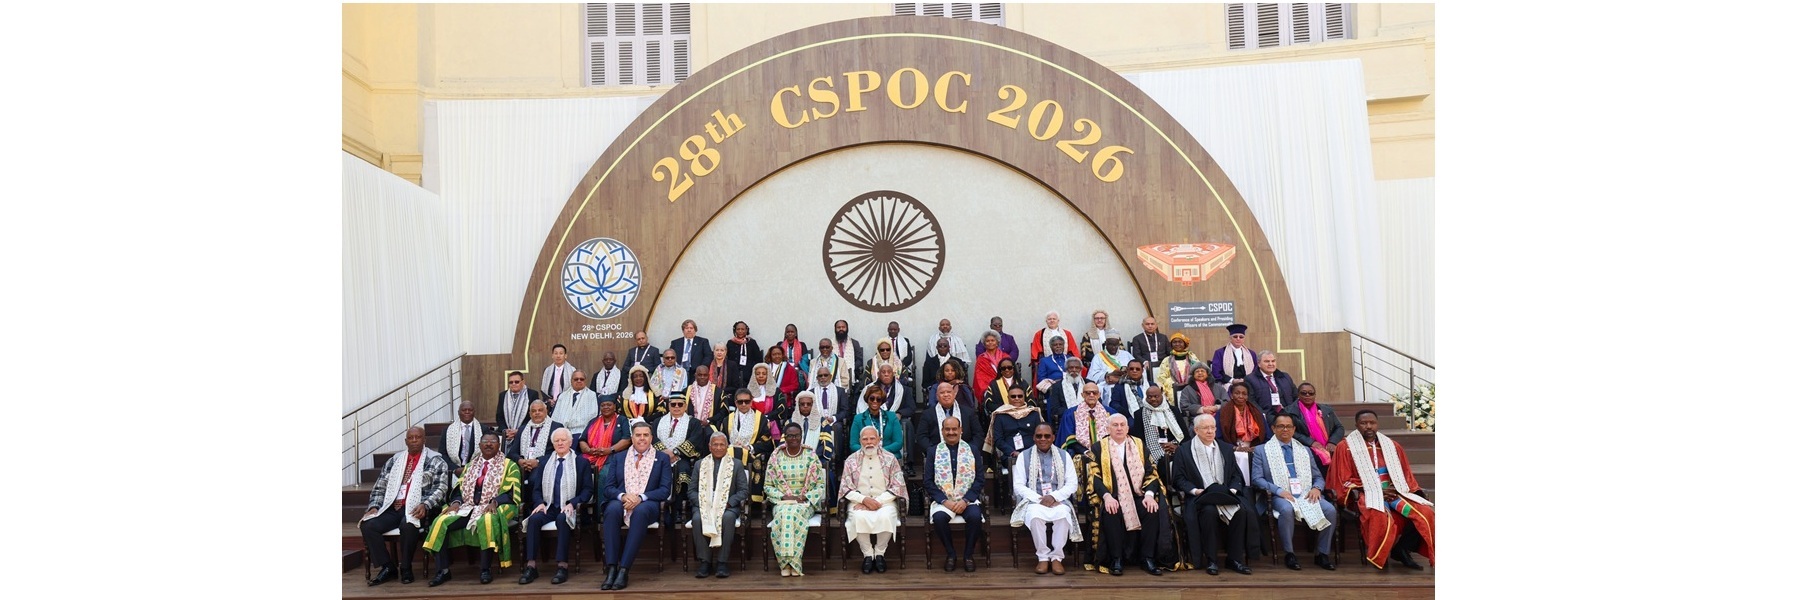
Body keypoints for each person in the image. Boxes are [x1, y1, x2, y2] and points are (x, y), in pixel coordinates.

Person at [1327, 410, 1435, 570]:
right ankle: (1380, 556)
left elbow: (1405, 474)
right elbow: (1342, 479)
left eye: (1372, 422)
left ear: (1377, 424)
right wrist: (1376, 491)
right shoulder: (1346, 447)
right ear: (1356, 425)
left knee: (1426, 513)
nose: (1368, 426)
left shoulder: (1391, 446)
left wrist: (1401, 489)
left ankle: (1402, 549)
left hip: (1394, 492)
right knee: (1379, 516)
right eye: (1364, 423)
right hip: (1365, 493)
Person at [1084, 414, 1179, 576]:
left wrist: (1149, 494)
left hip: (1138, 494)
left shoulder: (1139, 444)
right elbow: (1094, 477)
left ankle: (1147, 558)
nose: (1119, 428)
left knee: (1151, 509)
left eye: (1122, 425)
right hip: (1113, 496)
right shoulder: (1099, 447)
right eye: (1115, 425)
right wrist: (1107, 497)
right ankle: (1116, 559)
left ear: (1128, 428)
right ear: (1107, 429)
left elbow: (1151, 472)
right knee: (1111, 511)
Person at [423, 433, 523, 586]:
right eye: (485, 442)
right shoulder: (471, 465)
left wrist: (495, 502)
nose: (489, 444)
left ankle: (485, 569)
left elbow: (512, 491)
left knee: (487, 520)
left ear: (499, 445)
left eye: (493, 442)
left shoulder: (509, 465)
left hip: (495, 505)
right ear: (480, 445)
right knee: (440, 521)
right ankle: (442, 571)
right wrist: (456, 502)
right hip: (467, 506)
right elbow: (459, 488)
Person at [361, 426, 450, 586]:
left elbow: (441, 488)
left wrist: (425, 504)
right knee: (368, 525)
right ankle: (388, 567)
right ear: (406, 441)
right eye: (411, 438)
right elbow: (380, 486)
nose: (414, 440)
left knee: (408, 525)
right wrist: (374, 506)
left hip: (418, 509)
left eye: (418, 437)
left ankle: (406, 567)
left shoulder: (436, 460)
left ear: (424, 440)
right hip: (393, 507)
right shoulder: (394, 461)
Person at [1250, 414, 1337, 571]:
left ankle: (1322, 554)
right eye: (1281, 426)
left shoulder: (1304, 450)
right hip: (1278, 494)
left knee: (1330, 510)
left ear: (1294, 429)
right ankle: (1290, 554)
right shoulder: (1261, 450)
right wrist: (1278, 490)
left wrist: (1316, 488)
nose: (1285, 429)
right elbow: (1257, 479)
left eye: (1289, 426)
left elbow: (1318, 476)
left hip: (1305, 492)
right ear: (1273, 429)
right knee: (1286, 509)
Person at [1171, 415, 1254, 576]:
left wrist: (1233, 490)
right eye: (1205, 428)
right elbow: (1179, 479)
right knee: (1209, 511)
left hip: (1225, 494)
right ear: (1196, 430)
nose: (1210, 431)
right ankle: (1212, 560)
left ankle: (1234, 559)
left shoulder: (1225, 448)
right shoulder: (1184, 450)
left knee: (1241, 511)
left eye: (1213, 427)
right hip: (1200, 497)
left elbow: (1236, 475)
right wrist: (1195, 490)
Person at [600, 422, 674, 591]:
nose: (642, 438)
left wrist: (641, 497)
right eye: (638, 435)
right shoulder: (619, 458)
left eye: (645, 435)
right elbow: (609, 488)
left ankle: (624, 569)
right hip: (622, 501)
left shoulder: (662, 458)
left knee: (640, 512)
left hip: (648, 504)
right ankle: (612, 568)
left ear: (651, 438)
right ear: (632, 438)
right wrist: (623, 495)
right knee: (611, 509)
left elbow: (664, 490)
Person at [519, 428, 594, 585]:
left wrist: (573, 503)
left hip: (569, 507)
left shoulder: (581, 462)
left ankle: (562, 566)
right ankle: (531, 566)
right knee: (533, 519)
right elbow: (536, 488)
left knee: (562, 519)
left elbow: (588, 490)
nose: (560, 443)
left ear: (570, 442)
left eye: (563, 440)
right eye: (557, 441)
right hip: (549, 506)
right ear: (552, 444)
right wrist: (539, 502)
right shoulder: (545, 462)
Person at [1011, 423, 1078, 576]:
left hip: (1058, 500)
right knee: (1035, 517)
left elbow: (1072, 483)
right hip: (1034, 500)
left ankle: (1056, 557)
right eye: (1039, 436)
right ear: (1034, 438)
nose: (1043, 439)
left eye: (1047, 436)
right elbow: (1019, 486)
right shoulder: (1024, 456)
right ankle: (1042, 557)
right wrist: (1039, 498)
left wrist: (1054, 497)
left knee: (1063, 515)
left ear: (1053, 438)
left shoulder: (1064, 455)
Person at [841, 425, 908, 574]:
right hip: (859, 502)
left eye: (872, 438)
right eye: (865, 439)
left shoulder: (890, 458)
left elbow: (898, 485)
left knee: (886, 516)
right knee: (857, 517)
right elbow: (845, 487)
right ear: (860, 441)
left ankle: (879, 554)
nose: (869, 442)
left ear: (879, 439)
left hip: (885, 501)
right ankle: (867, 555)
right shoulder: (851, 460)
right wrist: (864, 500)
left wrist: (877, 502)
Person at [765, 423, 827, 577]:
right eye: (790, 436)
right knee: (785, 513)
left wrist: (804, 496)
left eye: (797, 435)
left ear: (801, 436)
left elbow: (820, 484)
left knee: (791, 514)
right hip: (782, 501)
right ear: (784, 437)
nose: (793, 438)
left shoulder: (811, 456)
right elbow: (767, 486)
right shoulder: (775, 457)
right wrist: (783, 496)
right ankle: (787, 563)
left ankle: (791, 563)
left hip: (805, 502)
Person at [925, 417, 984, 572]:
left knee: (975, 517)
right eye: (947, 429)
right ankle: (951, 554)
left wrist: (966, 500)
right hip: (944, 500)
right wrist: (944, 501)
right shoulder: (933, 451)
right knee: (939, 518)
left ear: (961, 430)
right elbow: (928, 482)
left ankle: (968, 555)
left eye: (954, 429)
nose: (951, 432)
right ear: (942, 431)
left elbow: (979, 479)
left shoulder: (972, 450)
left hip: (967, 500)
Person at [688, 431, 748, 579]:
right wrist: (703, 503)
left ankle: (722, 562)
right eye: (715, 444)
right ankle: (705, 562)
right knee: (697, 519)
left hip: (727, 505)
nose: (719, 447)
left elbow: (743, 491)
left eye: (722, 444)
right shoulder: (699, 464)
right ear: (709, 447)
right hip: (703, 505)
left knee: (727, 518)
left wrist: (728, 503)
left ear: (727, 446)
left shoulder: (736, 464)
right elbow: (692, 490)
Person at [713, 390, 774, 507]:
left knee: (757, 462)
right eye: (740, 402)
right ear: (736, 403)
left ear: (751, 402)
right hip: (730, 454)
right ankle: (725, 498)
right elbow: (722, 439)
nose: (744, 404)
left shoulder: (760, 418)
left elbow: (767, 443)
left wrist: (750, 447)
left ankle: (752, 501)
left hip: (751, 454)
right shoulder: (728, 419)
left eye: (747, 401)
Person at [651, 393, 708, 517]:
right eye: (673, 404)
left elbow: (695, 440)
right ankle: (659, 509)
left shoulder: (694, 423)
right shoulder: (658, 421)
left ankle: (679, 509)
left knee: (683, 472)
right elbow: (652, 438)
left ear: (685, 406)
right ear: (668, 406)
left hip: (682, 457)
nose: (676, 407)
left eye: (680, 404)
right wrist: (665, 452)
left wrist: (676, 452)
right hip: (660, 457)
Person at [917, 382, 983, 466]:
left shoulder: (968, 412)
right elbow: (921, 437)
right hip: (937, 455)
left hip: (966, 454)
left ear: (954, 394)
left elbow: (978, 434)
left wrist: (969, 449)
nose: (946, 395)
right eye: (942, 393)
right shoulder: (928, 414)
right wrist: (934, 451)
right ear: (937, 396)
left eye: (948, 392)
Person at [987, 385, 1042, 483]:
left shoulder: (1034, 413)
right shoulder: (1000, 415)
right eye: (1013, 396)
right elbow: (998, 440)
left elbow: (1040, 436)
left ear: (1024, 397)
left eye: (1020, 396)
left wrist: (1027, 452)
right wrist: (1013, 452)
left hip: (1033, 452)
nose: (1017, 399)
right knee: (1016, 466)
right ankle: (1016, 495)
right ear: (1008, 398)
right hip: (1010, 455)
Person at [1131, 386, 1186, 482]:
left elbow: (1185, 436)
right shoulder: (1139, 414)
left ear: (1162, 396)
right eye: (1149, 397)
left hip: (1175, 447)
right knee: (1163, 463)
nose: (1153, 399)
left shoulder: (1174, 411)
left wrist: (1176, 446)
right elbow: (1138, 441)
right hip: (1152, 452)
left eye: (1156, 396)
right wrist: (1151, 452)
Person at [1284, 382, 1345, 468]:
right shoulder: (1289, 411)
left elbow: (1339, 427)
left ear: (1315, 395)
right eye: (1304, 393)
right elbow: (1290, 432)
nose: (1307, 395)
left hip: (1328, 445)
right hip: (1305, 447)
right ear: (1298, 395)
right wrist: (1311, 442)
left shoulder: (1326, 410)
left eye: (1311, 393)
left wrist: (1332, 442)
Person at [1217, 382, 1270, 478]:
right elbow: (1218, 438)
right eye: (1237, 393)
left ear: (1247, 396)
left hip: (1254, 449)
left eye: (1244, 394)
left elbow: (1267, 436)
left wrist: (1258, 448)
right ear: (1231, 395)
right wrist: (1234, 448)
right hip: (1231, 450)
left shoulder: (1256, 412)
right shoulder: (1222, 413)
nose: (1241, 396)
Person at [1153, 333, 1208, 419]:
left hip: (1191, 385)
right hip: (1173, 387)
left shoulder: (1192, 357)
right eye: (1174, 342)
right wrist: (1174, 384)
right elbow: (1161, 377)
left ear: (1185, 344)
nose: (1177, 344)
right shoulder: (1167, 360)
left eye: (1180, 342)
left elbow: (1198, 372)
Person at [580, 397, 632, 488]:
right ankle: (583, 500)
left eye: (609, 405)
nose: (606, 407)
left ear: (615, 407)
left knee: (605, 474)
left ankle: (602, 502)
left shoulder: (622, 420)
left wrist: (609, 450)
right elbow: (582, 440)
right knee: (578, 467)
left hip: (614, 455)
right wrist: (588, 450)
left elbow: (627, 440)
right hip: (592, 455)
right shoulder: (593, 421)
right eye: (603, 405)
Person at [507, 400, 564, 478]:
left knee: (535, 477)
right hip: (523, 465)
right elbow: (512, 452)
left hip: (546, 464)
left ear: (546, 411)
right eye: (534, 411)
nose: (537, 413)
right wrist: (520, 461)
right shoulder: (522, 429)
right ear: (530, 414)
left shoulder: (556, 427)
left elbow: (560, 452)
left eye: (540, 410)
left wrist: (538, 461)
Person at [850, 386, 906, 459]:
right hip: (865, 456)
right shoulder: (858, 418)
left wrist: (880, 451)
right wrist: (869, 452)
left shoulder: (892, 417)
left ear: (882, 402)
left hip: (889, 456)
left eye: (878, 399)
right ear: (867, 400)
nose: (875, 401)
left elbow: (898, 443)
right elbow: (853, 444)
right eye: (872, 398)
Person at [1057, 382, 1111, 456]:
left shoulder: (1110, 413)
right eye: (1088, 393)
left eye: (1094, 393)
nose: (1091, 395)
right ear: (1082, 395)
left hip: (1107, 451)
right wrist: (1085, 451)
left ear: (1099, 395)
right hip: (1080, 453)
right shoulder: (1071, 414)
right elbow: (1069, 438)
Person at [1243, 351, 1297, 420]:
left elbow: (1296, 396)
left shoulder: (1285, 377)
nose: (1271, 364)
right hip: (1266, 416)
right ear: (1259, 364)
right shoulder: (1250, 379)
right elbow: (1251, 401)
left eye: (1273, 361)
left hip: (1288, 414)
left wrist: (1292, 411)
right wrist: (1263, 415)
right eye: (1267, 361)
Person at [496, 371, 547, 444]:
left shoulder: (532, 394)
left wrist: (519, 431)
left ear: (523, 382)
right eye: (511, 382)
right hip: (506, 435)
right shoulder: (503, 395)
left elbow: (533, 416)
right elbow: (499, 416)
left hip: (525, 433)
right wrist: (505, 430)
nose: (513, 384)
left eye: (516, 382)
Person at [787, 390, 835, 463]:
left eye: (808, 404)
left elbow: (826, 445)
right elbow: (784, 444)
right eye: (802, 404)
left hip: (816, 460)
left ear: (813, 405)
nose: (805, 406)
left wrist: (811, 456)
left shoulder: (823, 423)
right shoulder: (790, 423)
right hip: (793, 459)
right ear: (798, 406)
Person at [440, 400, 487, 474]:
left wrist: (474, 467)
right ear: (458, 412)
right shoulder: (448, 430)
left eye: (470, 410)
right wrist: (455, 469)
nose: (467, 412)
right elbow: (442, 454)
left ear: (474, 412)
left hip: (477, 469)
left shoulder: (483, 429)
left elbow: (488, 451)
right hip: (454, 470)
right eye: (464, 410)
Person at [1041, 355, 1084, 432]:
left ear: (1081, 369)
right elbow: (1055, 409)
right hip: (1066, 419)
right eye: (1071, 368)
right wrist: (1073, 412)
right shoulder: (1057, 386)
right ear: (1066, 369)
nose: (1074, 370)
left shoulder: (1088, 384)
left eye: (1077, 368)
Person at [551, 370, 599, 437]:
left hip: (583, 433)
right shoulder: (562, 396)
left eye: (581, 379)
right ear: (571, 381)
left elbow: (595, 418)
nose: (579, 381)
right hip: (563, 433)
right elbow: (555, 417)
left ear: (585, 381)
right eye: (576, 379)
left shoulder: (593, 396)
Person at [805, 366, 851, 431]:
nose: (823, 377)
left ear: (830, 377)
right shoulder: (811, 393)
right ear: (817, 378)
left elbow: (845, 411)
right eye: (820, 376)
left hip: (834, 421)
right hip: (816, 421)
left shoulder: (840, 391)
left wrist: (834, 418)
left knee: (838, 427)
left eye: (825, 375)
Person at [669, 319, 712, 385]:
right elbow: (670, 356)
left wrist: (701, 369)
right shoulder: (675, 343)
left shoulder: (703, 342)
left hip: (696, 373)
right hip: (678, 373)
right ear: (683, 330)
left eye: (691, 328)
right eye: (686, 328)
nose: (689, 330)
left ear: (695, 330)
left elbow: (708, 356)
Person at [1129, 316, 1170, 381]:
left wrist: (1166, 362)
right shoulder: (1137, 339)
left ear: (1156, 325)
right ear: (1143, 325)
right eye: (1147, 324)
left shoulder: (1163, 337)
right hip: (1146, 365)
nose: (1150, 326)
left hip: (1163, 365)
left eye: (1152, 324)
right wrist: (1144, 362)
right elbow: (1136, 355)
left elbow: (1169, 352)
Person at [723, 321, 761, 391]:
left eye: (742, 329)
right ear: (735, 330)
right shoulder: (730, 343)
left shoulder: (752, 342)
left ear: (746, 330)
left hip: (748, 373)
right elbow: (726, 358)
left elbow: (758, 359)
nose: (740, 331)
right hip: (733, 373)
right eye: (738, 329)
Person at [830, 319, 866, 391]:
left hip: (851, 373)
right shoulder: (829, 344)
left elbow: (859, 359)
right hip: (833, 372)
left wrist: (850, 370)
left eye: (843, 327)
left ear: (847, 328)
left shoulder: (854, 343)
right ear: (835, 329)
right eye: (838, 327)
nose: (841, 329)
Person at [973, 331, 1007, 397]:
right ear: (984, 344)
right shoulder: (981, 359)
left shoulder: (1005, 357)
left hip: (1006, 386)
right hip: (989, 388)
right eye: (987, 341)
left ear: (997, 343)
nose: (990, 342)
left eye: (993, 340)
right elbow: (980, 377)